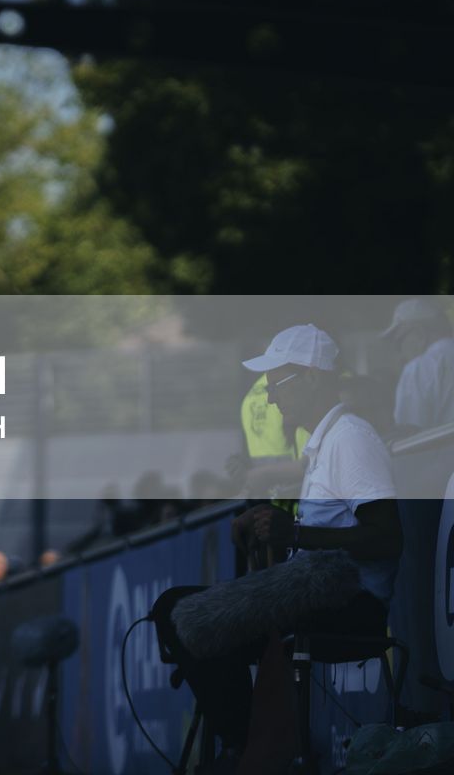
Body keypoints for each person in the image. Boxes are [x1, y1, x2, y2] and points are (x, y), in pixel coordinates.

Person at [160, 324, 403, 769]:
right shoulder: (328, 441)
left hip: (350, 604)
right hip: (322, 594)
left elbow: (387, 537)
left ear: (312, 377)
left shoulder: (350, 437)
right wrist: (276, 527)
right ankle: (250, 745)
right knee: (177, 611)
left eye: (277, 383)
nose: (270, 398)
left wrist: (293, 534)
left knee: (180, 611)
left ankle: (248, 750)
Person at [381, 298, 454, 432]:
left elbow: (408, 436)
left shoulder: (418, 368)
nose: (399, 354)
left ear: (420, 334)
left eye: (399, 342)